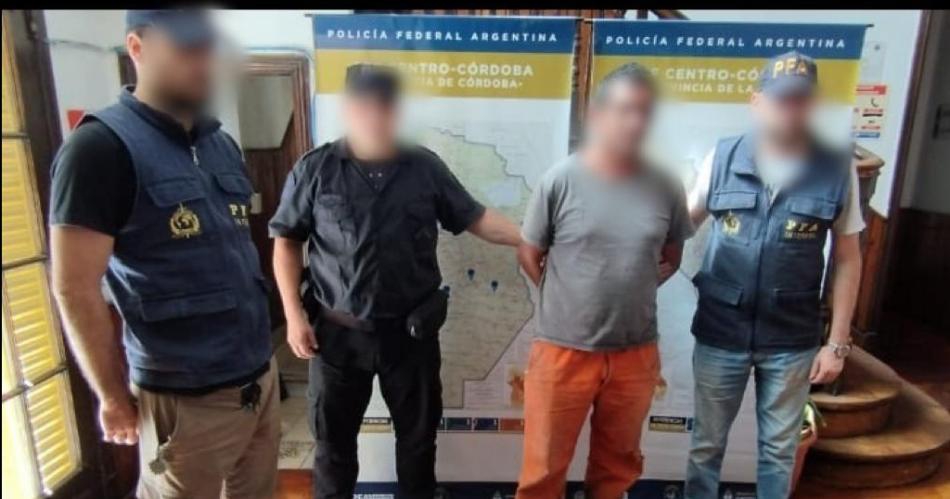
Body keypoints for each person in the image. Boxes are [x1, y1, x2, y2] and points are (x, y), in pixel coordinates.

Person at [49, 10, 278, 499]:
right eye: (186, 48)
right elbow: (74, 286)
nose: (203, 62)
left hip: (259, 377)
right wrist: (111, 395)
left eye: (208, 48)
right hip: (185, 397)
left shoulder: (220, 144)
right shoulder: (99, 148)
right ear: (137, 48)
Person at [269, 63, 522, 499]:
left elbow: (476, 217)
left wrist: (530, 238)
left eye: (384, 106)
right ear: (348, 109)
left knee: (418, 446)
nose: (375, 115)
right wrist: (293, 316)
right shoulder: (315, 169)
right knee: (333, 449)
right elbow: (287, 242)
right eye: (364, 106)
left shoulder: (425, 168)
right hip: (336, 338)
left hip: (410, 337)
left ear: (396, 111)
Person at [684, 51, 864, 499]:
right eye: (781, 99)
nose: (790, 109)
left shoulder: (837, 167)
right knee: (706, 447)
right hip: (721, 332)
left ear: (813, 104)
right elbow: (682, 225)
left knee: (779, 452)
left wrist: (837, 344)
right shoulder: (723, 156)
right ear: (757, 102)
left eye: (801, 100)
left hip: (792, 340)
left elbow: (848, 257)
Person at [515, 63, 693, 499]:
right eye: (625, 109)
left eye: (645, 112)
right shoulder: (559, 180)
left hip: (635, 355)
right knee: (542, 472)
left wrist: (626, 288)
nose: (635, 121)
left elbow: (670, 257)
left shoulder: (666, 185)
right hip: (562, 352)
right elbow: (529, 254)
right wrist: (571, 300)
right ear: (598, 115)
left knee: (617, 469)